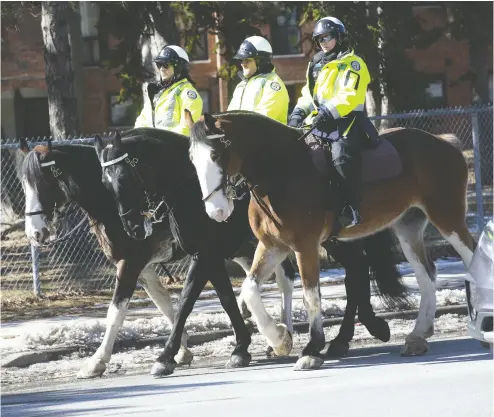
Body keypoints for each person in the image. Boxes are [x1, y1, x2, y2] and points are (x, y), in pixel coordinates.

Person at [288, 17, 377, 227]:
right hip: (321, 123)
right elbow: (309, 94)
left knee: (340, 156)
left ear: (339, 36)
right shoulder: (317, 63)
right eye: (319, 39)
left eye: (327, 37)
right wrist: (299, 112)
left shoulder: (353, 63)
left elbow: (350, 95)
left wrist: (327, 112)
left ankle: (352, 207)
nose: (323, 42)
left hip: (347, 121)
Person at [135, 45, 203, 136]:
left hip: (173, 147)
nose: (162, 69)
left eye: (166, 65)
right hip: (149, 146)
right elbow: (141, 122)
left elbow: (187, 128)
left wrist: (164, 142)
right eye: (159, 65)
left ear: (179, 68)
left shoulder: (187, 93)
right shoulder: (156, 94)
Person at [228, 36, 289, 124]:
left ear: (261, 61)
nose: (242, 64)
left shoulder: (272, 85)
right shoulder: (241, 86)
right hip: (241, 137)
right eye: (242, 60)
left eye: (247, 60)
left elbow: (262, 121)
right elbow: (230, 116)